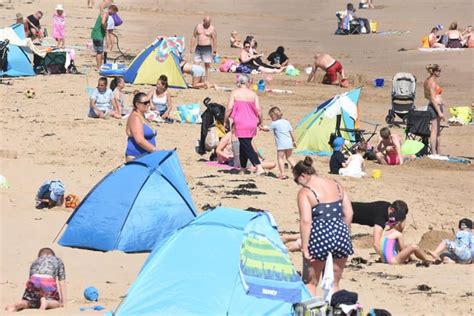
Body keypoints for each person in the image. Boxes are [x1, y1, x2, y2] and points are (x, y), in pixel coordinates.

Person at [294, 156, 353, 295]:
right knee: (334, 283)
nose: (298, 184)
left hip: (319, 236)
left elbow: (306, 221)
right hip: (341, 233)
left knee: (310, 283)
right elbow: (349, 213)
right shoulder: (336, 184)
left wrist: (305, 248)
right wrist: (344, 231)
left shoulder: (306, 192)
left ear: (303, 175)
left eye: (296, 180)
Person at [283, 200, 410, 254]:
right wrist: (385, 256)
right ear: (392, 209)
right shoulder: (381, 217)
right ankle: (290, 244)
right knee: (319, 233)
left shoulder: (386, 206)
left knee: (317, 231)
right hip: (341, 213)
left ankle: (287, 238)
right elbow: (376, 244)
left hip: (341, 209)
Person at [224, 74, 266, 175]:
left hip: (240, 122)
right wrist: (261, 121)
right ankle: (242, 168)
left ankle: (259, 167)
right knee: (244, 145)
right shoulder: (253, 94)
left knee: (246, 145)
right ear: (247, 82)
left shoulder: (235, 93)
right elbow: (259, 110)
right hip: (251, 122)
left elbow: (229, 108)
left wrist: (225, 120)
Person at [5, 248, 66, 312]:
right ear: (53, 255)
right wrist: (63, 302)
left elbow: (30, 281)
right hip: (47, 281)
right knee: (57, 303)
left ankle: (17, 304)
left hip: (34, 280)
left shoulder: (35, 261)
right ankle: (47, 303)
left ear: (39, 256)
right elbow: (62, 283)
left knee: (30, 302)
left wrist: (25, 298)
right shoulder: (58, 260)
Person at [260, 107, 296, 179]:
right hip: (289, 143)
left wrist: (261, 128)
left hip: (281, 145)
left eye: (271, 116)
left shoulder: (274, 123)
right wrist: (294, 141)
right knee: (289, 158)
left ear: (274, 116)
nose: (271, 118)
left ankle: (282, 174)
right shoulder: (286, 122)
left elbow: (267, 129)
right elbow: (291, 131)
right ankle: (299, 170)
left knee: (280, 158)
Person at [125, 92, 157, 161]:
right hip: (136, 157)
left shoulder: (141, 116)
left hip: (145, 155)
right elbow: (139, 140)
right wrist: (154, 151)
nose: (148, 104)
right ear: (137, 104)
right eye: (145, 103)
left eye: (148, 101)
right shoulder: (135, 117)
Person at [423, 64, 444, 155]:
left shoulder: (428, 80)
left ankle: (438, 151)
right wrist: (439, 112)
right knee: (434, 131)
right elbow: (432, 98)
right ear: (434, 72)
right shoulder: (431, 83)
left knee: (438, 131)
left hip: (436, 107)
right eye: (439, 70)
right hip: (434, 108)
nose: (440, 72)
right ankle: (434, 152)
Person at [91, 2, 117, 70]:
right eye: (114, 12)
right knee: (99, 52)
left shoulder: (103, 13)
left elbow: (101, 6)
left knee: (98, 52)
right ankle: (99, 67)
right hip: (98, 35)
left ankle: (98, 66)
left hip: (95, 34)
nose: (114, 14)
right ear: (111, 9)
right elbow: (103, 22)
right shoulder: (106, 14)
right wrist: (105, 28)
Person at [190, 16, 217, 81]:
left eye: (209, 23)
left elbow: (214, 40)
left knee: (207, 65)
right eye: (206, 22)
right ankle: (196, 80)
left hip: (207, 48)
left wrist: (214, 51)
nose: (207, 24)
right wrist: (191, 47)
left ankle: (207, 81)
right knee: (196, 64)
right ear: (203, 21)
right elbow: (194, 36)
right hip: (198, 47)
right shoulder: (198, 26)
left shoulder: (212, 28)